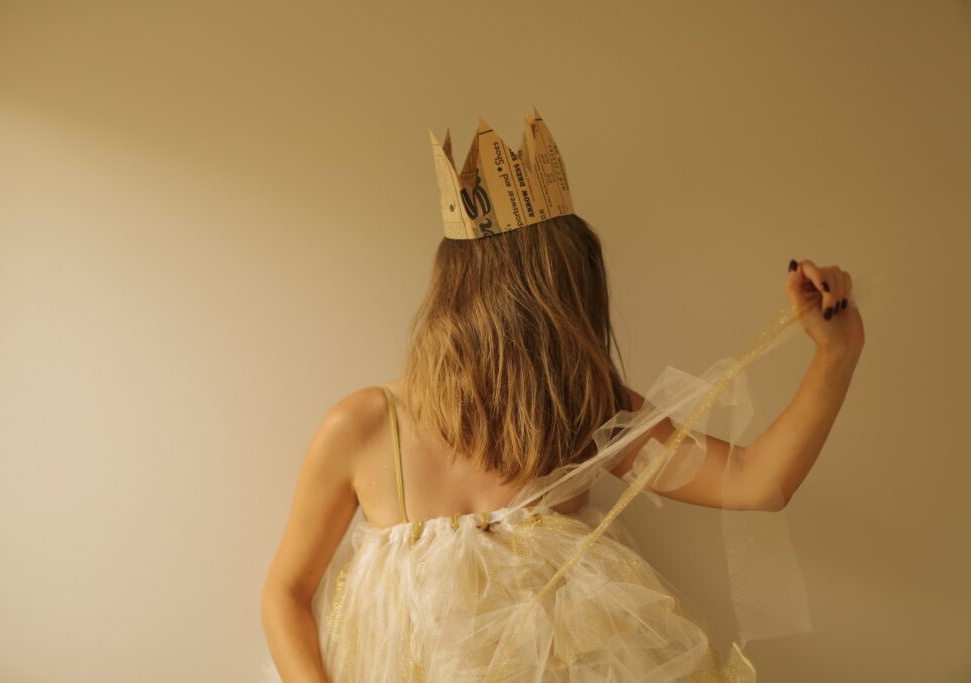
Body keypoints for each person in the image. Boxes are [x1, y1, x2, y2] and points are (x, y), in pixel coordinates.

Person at [259, 110, 864, 682]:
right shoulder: (365, 426)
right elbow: (286, 592)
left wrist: (837, 353)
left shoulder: (583, 409)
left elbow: (756, 483)